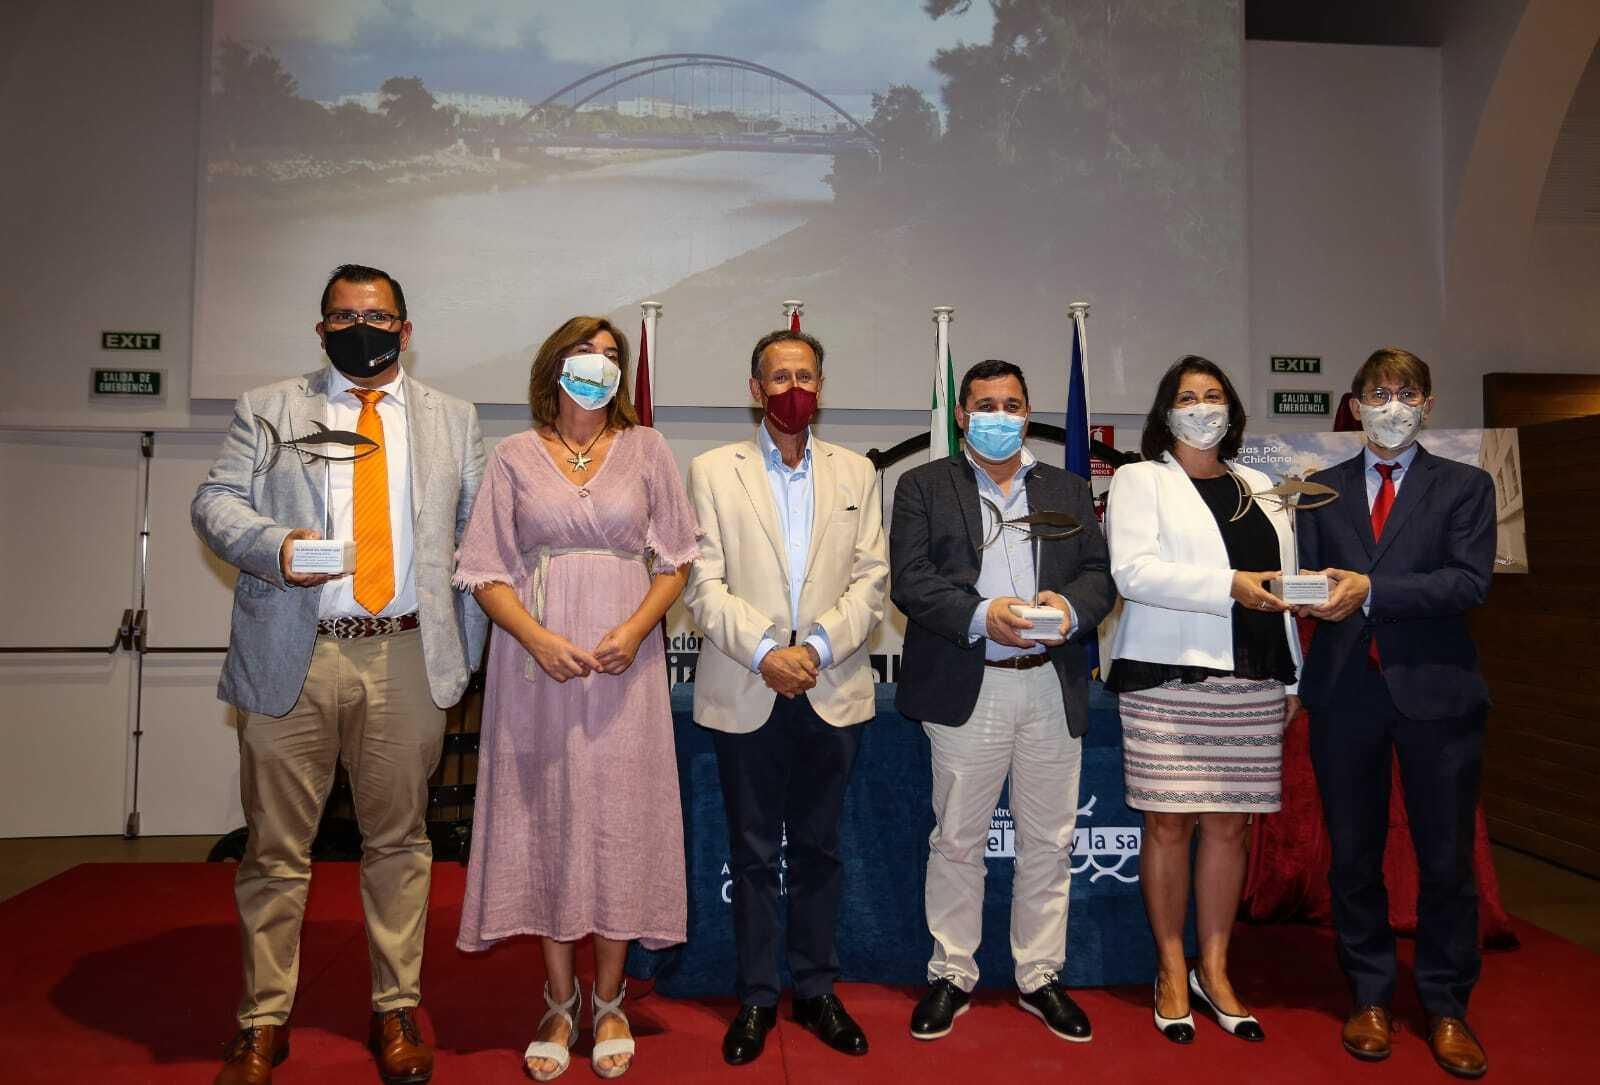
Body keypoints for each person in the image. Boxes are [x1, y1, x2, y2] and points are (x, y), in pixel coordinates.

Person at [192, 263, 487, 1085]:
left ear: (406, 327)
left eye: (380, 314)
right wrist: (274, 546)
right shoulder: (269, 407)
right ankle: (262, 1019)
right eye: (347, 315)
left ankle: (396, 1005)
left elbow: (474, 544)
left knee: (399, 841)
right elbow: (215, 502)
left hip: (405, 652)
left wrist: (464, 658)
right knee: (276, 849)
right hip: (296, 653)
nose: (366, 326)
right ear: (321, 328)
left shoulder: (453, 419)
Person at [452, 316, 699, 1081]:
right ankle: (559, 1001)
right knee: (550, 817)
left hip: (625, 666)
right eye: (585, 354)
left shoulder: (649, 449)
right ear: (553, 366)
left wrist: (634, 629)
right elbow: (484, 569)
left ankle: (612, 996)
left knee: (621, 818)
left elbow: (677, 559)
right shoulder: (514, 455)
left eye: (611, 357)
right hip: (538, 672)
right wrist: (536, 637)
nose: (599, 366)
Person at [891, 359, 1116, 1043]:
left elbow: (1098, 576)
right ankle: (951, 972)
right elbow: (910, 580)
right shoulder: (923, 485)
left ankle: (1039, 974)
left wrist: (1068, 608)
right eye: (983, 403)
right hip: (970, 678)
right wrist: (983, 613)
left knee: (1049, 840)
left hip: (1051, 678)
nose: (997, 414)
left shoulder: (1069, 489)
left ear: (1028, 411)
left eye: (1011, 402)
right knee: (957, 837)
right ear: (961, 414)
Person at [683, 329, 889, 1066]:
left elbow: (872, 579)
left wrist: (819, 648)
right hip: (748, 683)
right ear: (755, 388)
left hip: (831, 684)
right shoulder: (711, 470)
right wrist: (769, 651)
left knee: (820, 850)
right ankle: (757, 995)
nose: (792, 387)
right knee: (751, 848)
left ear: (821, 386)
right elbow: (701, 584)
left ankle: (817, 989)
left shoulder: (857, 472)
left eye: (804, 375)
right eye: (778, 376)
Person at [1297, 348, 1495, 1079]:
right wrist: (1303, 592)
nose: (1391, 403)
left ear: (1429, 401)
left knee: (1446, 860)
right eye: (1378, 391)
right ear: (1355, 402)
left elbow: (1469, 582)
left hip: (1437, 695)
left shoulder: (1467, 487)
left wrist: (1370, 592)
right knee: (1354, 855)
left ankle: (1446, 1004)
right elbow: (1312, 583)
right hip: (1346, 692)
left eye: (1405, 391)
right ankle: (1371, 995)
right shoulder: (1320, 489)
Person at [1102, 356, 1302, 1046]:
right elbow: (1132, 570)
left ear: (1231, 407)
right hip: (1167, 674)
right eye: (1187, 396)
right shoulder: (1139, 478)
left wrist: (1295, 676)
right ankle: (1168, 964)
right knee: (1168, 826)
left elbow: (1288, 587)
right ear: (1166, 410)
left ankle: (1214, 970)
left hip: (1254, 674)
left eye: (1212, 394)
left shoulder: (1263, 486)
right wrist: (1229, 584)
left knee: (1229, 828)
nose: (1201, 405)